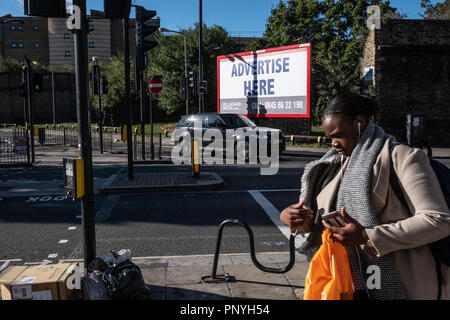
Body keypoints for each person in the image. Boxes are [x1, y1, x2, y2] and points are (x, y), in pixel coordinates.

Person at [280, 93, 450, 300]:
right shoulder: (330, 166)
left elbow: (438, 220)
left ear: (359, 123)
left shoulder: (403, 157)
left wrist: (366, 237)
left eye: (339, 134)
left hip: (404, 284)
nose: (333, 143)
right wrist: (296, 220)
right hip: (349, 282)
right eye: (330, 138)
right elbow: (320, 224)